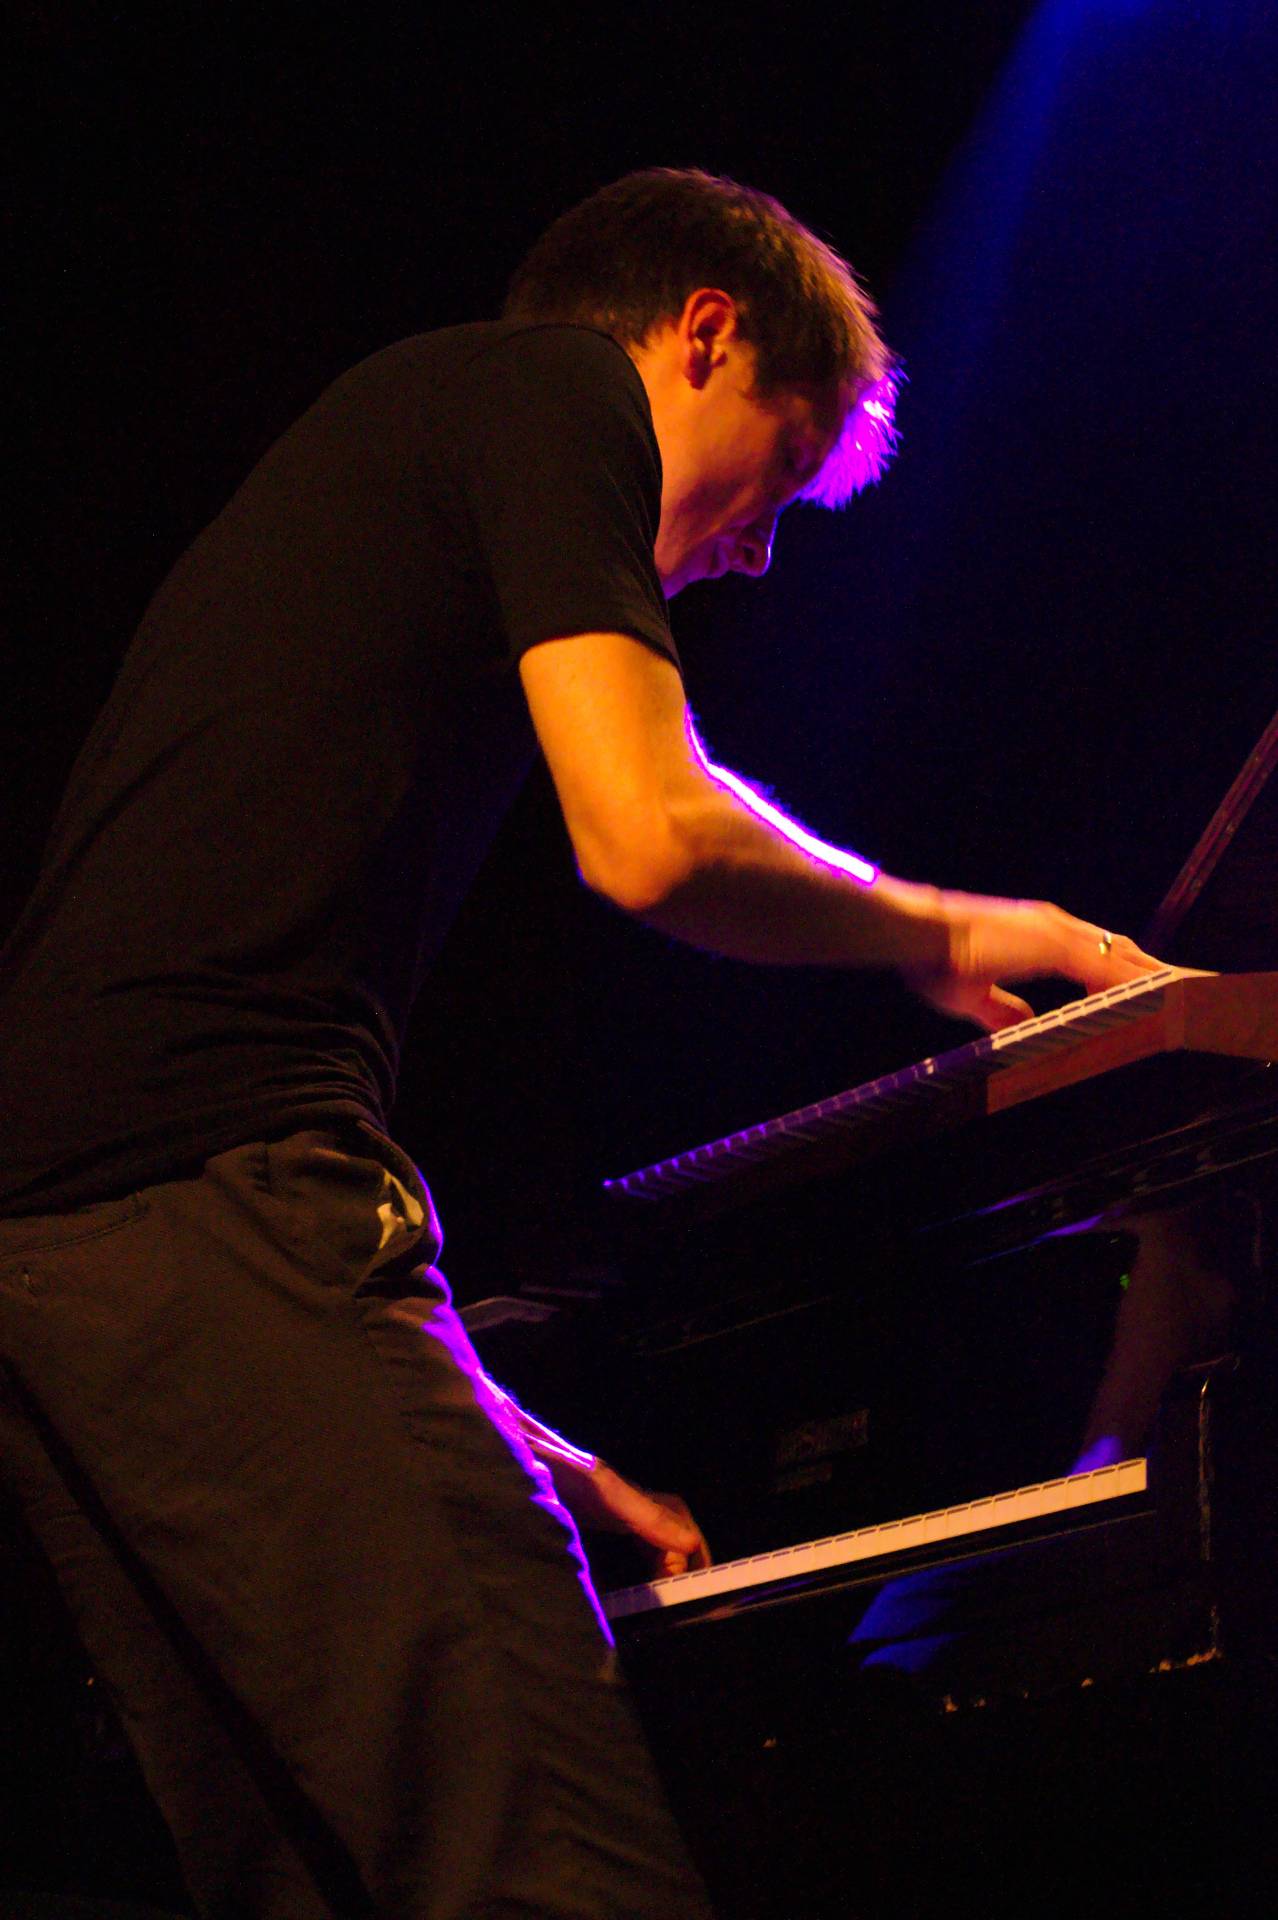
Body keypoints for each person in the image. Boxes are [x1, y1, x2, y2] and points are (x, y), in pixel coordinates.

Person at [0, 168, 1161, 1918]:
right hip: (203, 1201)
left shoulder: (410, 439)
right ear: (702, 334)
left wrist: (520, 1443)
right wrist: (963, 931)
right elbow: (648, 833)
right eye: (782, 467)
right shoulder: (551, 391)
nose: (758, 550)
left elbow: (174, 1058)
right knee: (559, 1876)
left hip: (67, 1259)